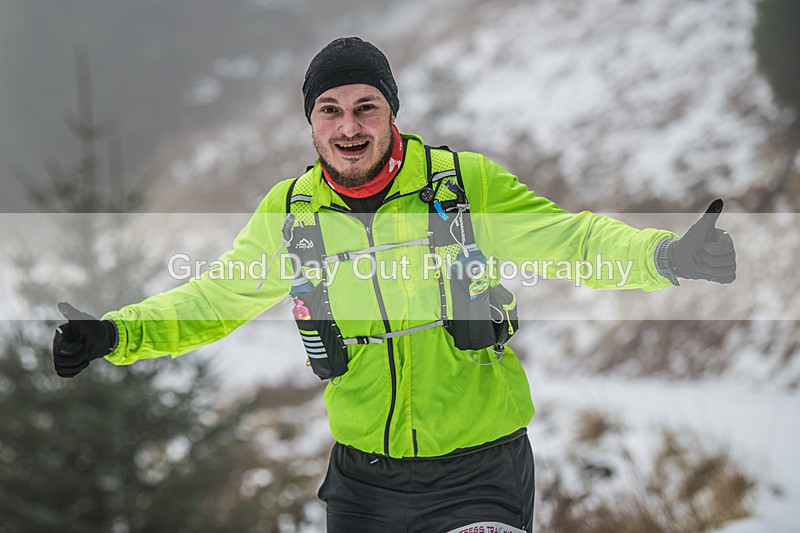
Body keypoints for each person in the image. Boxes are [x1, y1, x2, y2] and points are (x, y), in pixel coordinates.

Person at [52, 37, 736, 532]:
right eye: (330, 109)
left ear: (392, 113)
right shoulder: (291, 215)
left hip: (480, 473)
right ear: (311, 121)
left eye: (365, 106)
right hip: (364, 484)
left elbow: (572, 242)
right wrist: (114, 332)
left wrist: (668, 257)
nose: (349, 127)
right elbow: (212, 299)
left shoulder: (463, 187)